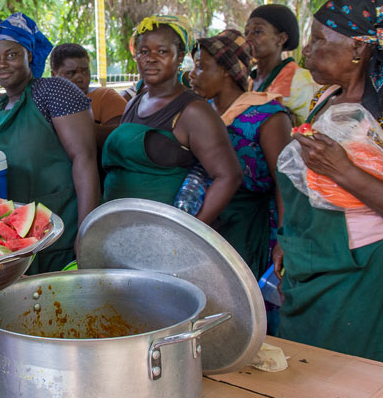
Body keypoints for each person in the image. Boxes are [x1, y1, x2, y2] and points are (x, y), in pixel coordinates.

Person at [275, 0, 383, 398]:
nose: (307, 50)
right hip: (317, 274)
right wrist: (287, 237)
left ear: (358, 48)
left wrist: (347, 172)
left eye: (318, 39)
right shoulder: (329, 97)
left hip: (372, 284)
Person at [0, 13, 99, 274]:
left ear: (29, 54)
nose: (1, 64)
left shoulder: (54, 91)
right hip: (13, 240)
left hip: (60, 231)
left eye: (11, 55)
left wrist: (87, 232)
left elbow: (85, 159)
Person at [101, 16, 242, 225]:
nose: (151, 58)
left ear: (179, 57)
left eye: (162, 51)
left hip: (165, 236)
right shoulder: (133, 103)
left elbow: (229, 177)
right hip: (119, 228)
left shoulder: (194, 111)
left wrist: (189, 232)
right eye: (144, 52)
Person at [188, 29, 291, 281]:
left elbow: (285, 181)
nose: (191, 74)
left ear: (225, 70)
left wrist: (285, 238)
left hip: (249, 227)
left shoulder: (267, 114)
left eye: (201, 67)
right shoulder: (198, 111)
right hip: (208, 222)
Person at [244, 4, 318, 124]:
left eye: (257, 32)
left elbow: (310, 127)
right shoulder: (250, 80)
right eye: (246, 32)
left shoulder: (302, 81)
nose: (248, 38)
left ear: (281, 38)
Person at [50, 43, 127, 149]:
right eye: (70, 73)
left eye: (85, 71)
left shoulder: (105, 97)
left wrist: (79, 126)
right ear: (53, 75)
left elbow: (123, 136)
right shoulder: (44, 103)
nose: (80, 78)